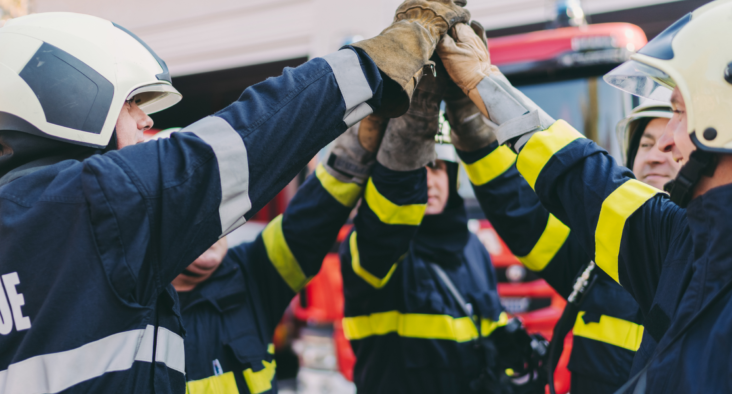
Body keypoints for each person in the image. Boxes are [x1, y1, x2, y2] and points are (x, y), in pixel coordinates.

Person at [0, 3, 470, 392]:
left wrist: (355, 147)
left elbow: (313, 219)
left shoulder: (35, 231)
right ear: (64, 97)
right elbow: (240, 141)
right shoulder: (93, 208)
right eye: (133, 103)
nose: (145, 123)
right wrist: (378, 61)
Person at [437, 0, 732, 391]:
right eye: (646, 139)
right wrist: (485, 90)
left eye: (679, 113)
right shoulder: (691, 246)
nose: (665, 142)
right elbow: (584, 178)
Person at [445, 91, 676, 393]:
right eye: (646, 143)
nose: (655, 154)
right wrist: (472, 129)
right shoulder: (597, 254)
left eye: (668, 145)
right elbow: (522, 215)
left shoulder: (712, 262)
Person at [339, 64, 545, 394]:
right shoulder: (372, 248)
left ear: (452, 176)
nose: (427, 180)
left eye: (437, 168)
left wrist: (511, 351)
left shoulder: (472, 247)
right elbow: (380, 233)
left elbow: (487, 323)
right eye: (416, 169)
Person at [167, 119, 386, 394]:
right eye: (192, 204)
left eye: (217, 203)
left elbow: (312, 218)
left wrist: (357, 149)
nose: (210, 217)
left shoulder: (249, 272)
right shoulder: (131, 309)